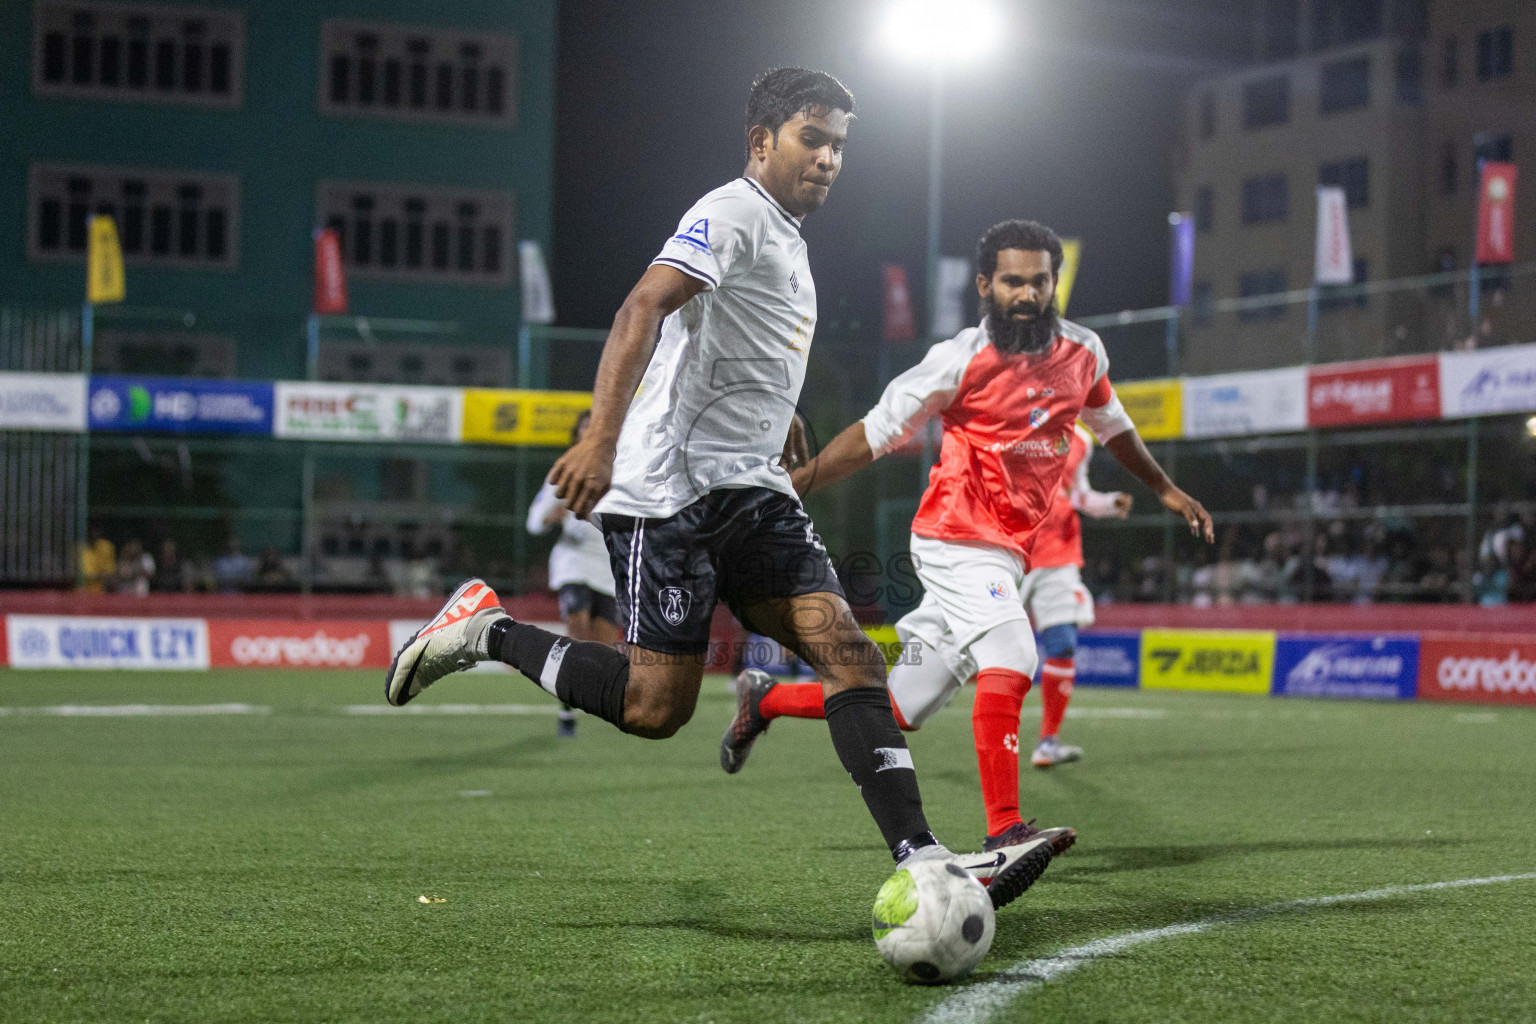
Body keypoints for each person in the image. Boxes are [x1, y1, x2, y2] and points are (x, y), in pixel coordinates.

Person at [383, 70, 1055, 908]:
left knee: (848, 652)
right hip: (671, 493)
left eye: (840, 145)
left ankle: (921, 857)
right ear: (762, 142)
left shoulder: (786, 238)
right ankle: (488, 632)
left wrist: (780, 414)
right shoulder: (732, 210)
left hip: (754, 490)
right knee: (655, 707)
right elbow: (643, 308)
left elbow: (740, 340)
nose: (829, 159)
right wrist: (599, 436)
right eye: (813, 139)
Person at [720, 219, 1212, 860]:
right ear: (985, 284)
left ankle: (765, 699)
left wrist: (1166, 489)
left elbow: (1112, 423)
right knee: (1015, 653)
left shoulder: (1084, 353)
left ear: (1054, 283)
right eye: (1012, 281)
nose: (1027, 294)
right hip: (956, 538)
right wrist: (802, 481)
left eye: (1039, 281)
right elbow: (878, 430)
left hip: (1009, 551)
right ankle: (1005, 829)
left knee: (901, 706)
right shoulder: (959, 359)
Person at [526, 410, 623, 737]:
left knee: (604, 649)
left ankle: (592, 701)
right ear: (577, 434)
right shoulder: (567, 469)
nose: (590, 432)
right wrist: (551, 516)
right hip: (574, 562)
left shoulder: (622, 470)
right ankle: (566, 706)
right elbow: (534, 520)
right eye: (584, 426)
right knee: (578, 630)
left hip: (608, 569)